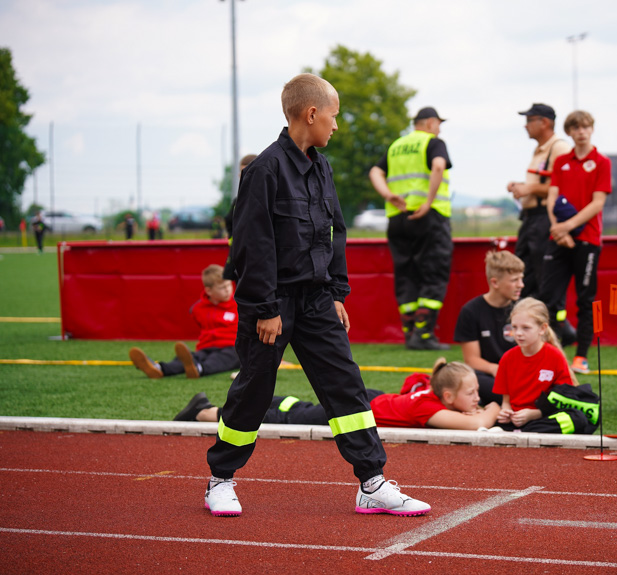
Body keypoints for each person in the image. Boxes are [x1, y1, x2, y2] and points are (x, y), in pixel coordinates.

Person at [205, 73, 429, 518]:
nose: (336, 125)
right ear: (311, 114)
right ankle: (220, 480)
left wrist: (337, 293)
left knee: (346, 386)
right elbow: (251, 247)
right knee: (252, 390)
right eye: (333, 116)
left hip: (316, 300)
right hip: (271, 305)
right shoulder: (264, 171)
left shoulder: (321, 165)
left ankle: (372, 483)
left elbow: (335, 233)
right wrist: (266, 309)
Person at [176, 358, 501, 431]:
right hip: (357, 409)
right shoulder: (430, 408)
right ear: (446, 396)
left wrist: (468, 409)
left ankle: (262, 400)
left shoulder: (429, 392)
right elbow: (479, 424)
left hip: (370, 399)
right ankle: (204, 411)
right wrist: (499, 403)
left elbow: (418, 381)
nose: (477, 398)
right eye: (471, 393)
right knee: (291, 418)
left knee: (298, 408)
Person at [369, 106, 453, 350]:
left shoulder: (397, 145)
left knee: (406, 274)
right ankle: (424, 334)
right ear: (428, 123)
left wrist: (388, 195)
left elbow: (375, 170)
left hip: (397, 218)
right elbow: (438, 166)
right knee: (433, 272)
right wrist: (427, 202)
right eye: (438, 123)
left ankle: (409, 332)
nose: (439, 129)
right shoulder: (434, 142)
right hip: (428, 216)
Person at [539, 110, 612, 375]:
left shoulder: (602, 162)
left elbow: (598, 203)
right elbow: (552, 197)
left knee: (586, 300)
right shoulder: (561, 162)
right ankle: (551, 352)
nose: (581, 132)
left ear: (592, 129)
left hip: (588, 239)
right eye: (576, 128)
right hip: (559, 238)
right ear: (569, 132)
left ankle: (581, 356)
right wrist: (559, 231)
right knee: (549, 297)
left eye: (586, 127)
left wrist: (567, 228)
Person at [493, 297, 600, 434]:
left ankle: (522, 432)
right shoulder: (507, 358)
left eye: (526, 328)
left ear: (542, 329)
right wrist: (506, 413)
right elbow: (506, 401)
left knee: (577, 418)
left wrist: (534, 414)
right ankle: (520, 431)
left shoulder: (554, 356)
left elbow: (563, 400)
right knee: (492, 412)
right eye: (514, 327)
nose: (518, 333)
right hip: (516, 419)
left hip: (543, 417)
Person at [129, 264, 240, 379]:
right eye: (222, 287)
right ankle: (159, 368)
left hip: (231, 347)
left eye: (229, 285)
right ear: (209, 291)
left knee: (221, 359)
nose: (228, 290)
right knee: (189, 358)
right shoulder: (198, 309)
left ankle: (199, 369)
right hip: (205, 347)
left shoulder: (239, 305)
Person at [506, 103, 572, 300]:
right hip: (531, 221)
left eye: (529, 121)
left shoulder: (559, 148)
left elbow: (563, 188)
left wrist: (530, 188)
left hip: (545, 219)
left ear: (544, 123)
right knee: (525, 275)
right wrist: (521, 186)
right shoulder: (541, 149)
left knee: (545, 276)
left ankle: (555, 325)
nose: (525, 126)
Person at [453, 250, 523, 405]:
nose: (521, 285)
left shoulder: (524, 309)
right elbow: (471, 359)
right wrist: (495, 369)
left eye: (521, 279)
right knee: (464, 379)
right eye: (514, 280)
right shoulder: (470, 311)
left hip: (521, 375)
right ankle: (518, 400)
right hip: (489, 376)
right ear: (495, 283)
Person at [223, 154, 258, 282]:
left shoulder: (268, 200)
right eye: (241, 172)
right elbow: (230, 223)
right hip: (240, 261)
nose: (242, 176)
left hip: (258, 265)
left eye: (247, 172)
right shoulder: (238, 201)